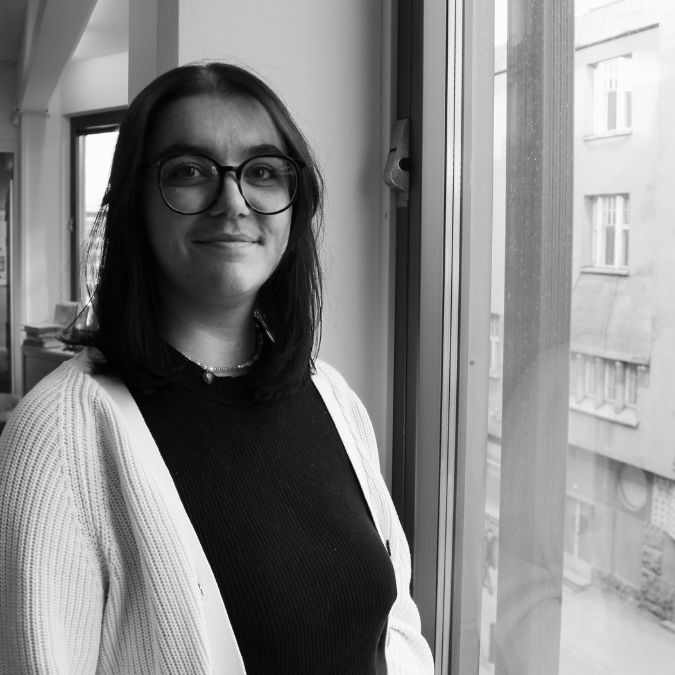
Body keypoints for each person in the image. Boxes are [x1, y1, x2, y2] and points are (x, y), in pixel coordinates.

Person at [0, 62, 434, 674]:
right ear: (134, 204)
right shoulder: (59, 437)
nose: (233, 201)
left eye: (263, 172)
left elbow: (396, 629)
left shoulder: (330, 396)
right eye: (189, 171)